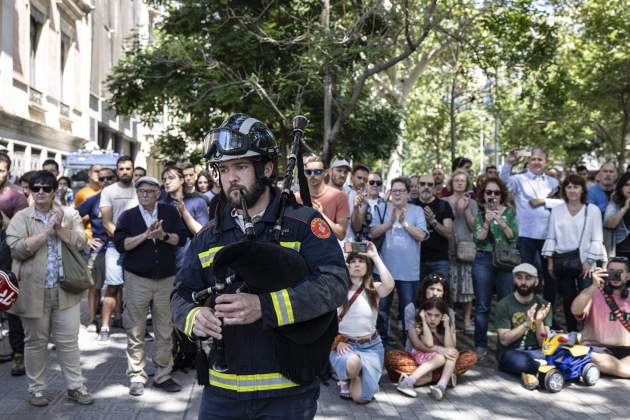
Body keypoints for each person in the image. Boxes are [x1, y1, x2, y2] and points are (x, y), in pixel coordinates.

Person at [170, 113, 347, 419]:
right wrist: (193, 317)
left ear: (265, 168)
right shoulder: (208, 237)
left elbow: (334, 284)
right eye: (223, 169)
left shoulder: (304, 224)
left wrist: (266, 307)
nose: (231, 177)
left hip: (288, 394)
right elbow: (179, 295)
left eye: (240, 166)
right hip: (222, 395)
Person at [6, 170, 94, 406]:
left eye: (47, 188)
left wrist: (59, 228)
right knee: (35, 343)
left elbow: (81, 242)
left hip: (66, 290)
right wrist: (46, 231)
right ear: (30, 191)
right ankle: (36, 390)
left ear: (55, 190)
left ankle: (76, 387)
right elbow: (17, 249)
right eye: (37, 188)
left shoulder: (69, 214)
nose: (42, 192)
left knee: (68, 342)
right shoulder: (22, 217)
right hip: (32, 291)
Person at [114, 176, 187, 396]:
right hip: (137, 279)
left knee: (165, 329)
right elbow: (122, 245)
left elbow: (180, 239)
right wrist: (146, 235)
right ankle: (136, 375)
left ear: (158, 193)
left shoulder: (169, 212)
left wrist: (161, 235)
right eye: (141, 191)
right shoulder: (128, 216)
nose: (144, 194)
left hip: (165, 279)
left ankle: (163, 375)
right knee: (135, 328)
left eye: (149, 191)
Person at [330, 242, 394, 403]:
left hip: (371, 346)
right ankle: (349, 375)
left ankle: (355, 377)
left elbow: (390, 285)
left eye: (361, 261)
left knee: (360, 399)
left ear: (367, 266)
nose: (357, 264)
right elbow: (326, 321)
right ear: (348, 265)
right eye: (353, 261)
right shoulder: (338, 288)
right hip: (345, 345)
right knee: (352, 362)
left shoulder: (374, 288)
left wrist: (375, 256)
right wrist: (336, 341)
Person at [542, 174, 606, 332]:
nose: (572, 190)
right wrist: (550, 261)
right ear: (564, 189)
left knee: (588, 298)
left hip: (586, 262)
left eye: (576, 187)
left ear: (582, 190)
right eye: (568, 187)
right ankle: (572, 332)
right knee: (568, 299)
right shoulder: (557, 210)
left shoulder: (592, 210)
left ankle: (589, 333)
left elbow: (597, 238)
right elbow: (551, 236)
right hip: (563, 261)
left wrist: (589, 261)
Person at [500, 148, 562, 305]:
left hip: (547, 236)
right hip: (525, 235)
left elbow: (565, 203)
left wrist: (543, 201)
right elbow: (503, 181)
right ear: (528, 161)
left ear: (546, 162)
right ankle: (524, 312)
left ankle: (548, 315)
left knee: (549, 277)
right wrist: (508, 162)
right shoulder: (519, 179)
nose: (536, 162)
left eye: (540, 159)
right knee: (524, 276)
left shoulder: (553, 182)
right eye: (533, 159)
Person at [370, 177, 428, 344]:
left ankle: (408, 343)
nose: (397, 194)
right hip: (383, 270)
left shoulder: (417, 211)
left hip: (409, 271)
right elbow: (373, 233)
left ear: (408, 193)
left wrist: (404, 223)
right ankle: (380, 343)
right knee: (381, 309)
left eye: (401, 191)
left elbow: (422, 236)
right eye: (394, 190)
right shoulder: (381, 208)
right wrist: (390, 222)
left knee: (408, 310)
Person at [472, 176, 518, 359]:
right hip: (483, 259)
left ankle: (504, 345)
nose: (492, 196)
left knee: (505, 304)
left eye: (496, 193)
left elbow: (513, 237)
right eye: (488, 192)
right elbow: (478, 239)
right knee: (482, 305)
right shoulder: (480, 214)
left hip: (505, 260)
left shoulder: (510, 213)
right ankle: (480, 345)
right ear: (483, 195)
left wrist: (501, 221)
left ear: (502, 195)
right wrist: (487, 222)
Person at [99, 155, 139, 341]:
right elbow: (107, 223)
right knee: (112, 287)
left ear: (133, 170)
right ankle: (105, 327)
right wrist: (125, 240)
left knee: (137, 290)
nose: (124, 172)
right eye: (121, 169)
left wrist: (136, 240)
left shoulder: (141, 190)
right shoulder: (108, 191)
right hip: (115, 246)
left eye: (128, 168)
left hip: (139, 247)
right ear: (117, 171)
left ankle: (137, 329)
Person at [495, 263, 552, 390]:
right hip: (512, 353)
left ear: (536, 281)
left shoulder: (543, 304)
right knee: (519, 362)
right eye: (519, 278)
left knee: (557, 354)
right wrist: (526, 323)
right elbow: (504, 340)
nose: (523, 282)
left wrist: (538, 322)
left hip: (536, 352)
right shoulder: (503, 304)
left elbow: (544, 343)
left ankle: (532, 373)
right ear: (514, 280)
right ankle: (543, 371)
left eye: (528, 278)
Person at [571, 258, 630, 378]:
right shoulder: (593, 292)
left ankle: (614, 370)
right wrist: (593, 286)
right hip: (598, 350)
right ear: (605, 273)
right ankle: (621, 371)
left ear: (628, 276)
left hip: (627, 351)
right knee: (589, 356)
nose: (616, 275)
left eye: (620, 272)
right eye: (612, 271)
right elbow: (575, 310)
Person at [76, 167, 117, 331]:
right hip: (98, 249)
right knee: (94, 286)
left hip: (119, 247)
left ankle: (115, 317)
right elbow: (71, 217)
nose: (106, 181)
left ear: (115, 179)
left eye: (109, 178)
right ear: (97, 181)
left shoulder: (123, 198)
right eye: (102, 179)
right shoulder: (93, 200)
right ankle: (93, 320)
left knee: (115, 286)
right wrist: (85, 238)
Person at [396, 298, 458, 400]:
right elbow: (429, 344)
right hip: (422, 354)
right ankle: (409, 381)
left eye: (437, 315)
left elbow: (450, 346)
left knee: (452, 353)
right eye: (429, 314)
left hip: (435, 357)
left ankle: (441, 386)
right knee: (442, 358)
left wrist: (446, 327)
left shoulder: (444, 326)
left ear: (443, 316)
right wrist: (425, 322)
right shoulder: (421, 325)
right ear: (424, 314)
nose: (432, 319)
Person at [0, 153, 28, 376]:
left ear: (8, 171)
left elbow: (18, 230)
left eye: (1, 170)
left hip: (8, 258)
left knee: (11, 306)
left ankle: (18, 354)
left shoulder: (16, 197)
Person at [444, 169, 477, 334]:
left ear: (467, 184)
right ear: (451, 183)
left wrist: (465, 210)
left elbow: (474, 228)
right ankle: (450, 320)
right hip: (447, 247)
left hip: (466, 248)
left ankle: (466, 320)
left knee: (467, 287)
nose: (459, 183)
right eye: (456, 180)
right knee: (449, 286)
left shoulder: (473, 203)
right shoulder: (443, 201)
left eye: (462, 180)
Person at [161, 165, 209, 272]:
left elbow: (202, 233)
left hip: (190, 262)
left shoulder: (198, 202)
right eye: (164, 179)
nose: (167, 182)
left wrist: (184, 211)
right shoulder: (160, 205)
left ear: (182, 180)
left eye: (171, 178)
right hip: (165, 263)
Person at [298, 155, 349, 241]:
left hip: (327, 251)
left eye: (317, 172)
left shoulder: (340, 196)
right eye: (308, 172)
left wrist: (321, 215)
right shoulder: (297, 197)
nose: (312, 175)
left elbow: (341, 234)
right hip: (301, 251)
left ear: (326, 172)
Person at [415, 174, 453, 280]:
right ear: (418, 186)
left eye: (430, 185)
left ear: (435, 188)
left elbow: (449, 234)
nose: (426, 187)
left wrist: (433, 221)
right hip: (416, 261)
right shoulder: (411, 205)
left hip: (439, 261)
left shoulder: (444, 205)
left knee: (440, 295)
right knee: (417, 296)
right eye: (422, 184)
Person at [605, 172, 630, 260]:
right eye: (627, 185)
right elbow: (609, 224)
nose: (629, 188)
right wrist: (625, 208)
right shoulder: (615, 202)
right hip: (620, 252)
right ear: (621, 187)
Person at [343, 164, 370, 243]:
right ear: (352, 178)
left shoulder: (366, 199)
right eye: (359, 178)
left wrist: (357, 207)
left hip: (351, 242)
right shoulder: (343, 192)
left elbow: (357, 227)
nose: (362, 181)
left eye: (365, 179)